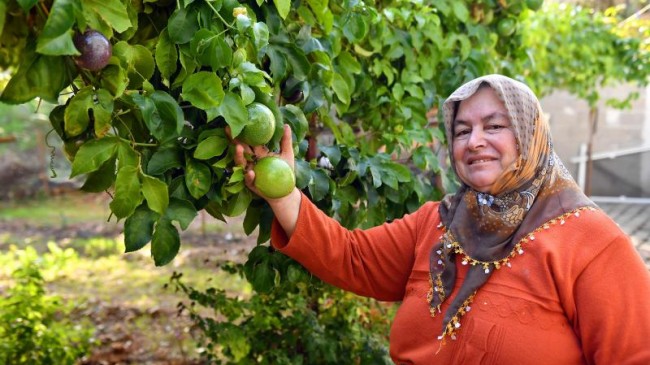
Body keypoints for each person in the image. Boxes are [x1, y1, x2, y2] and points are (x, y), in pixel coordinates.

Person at [233, 74, 650, 364]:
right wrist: (283, 192)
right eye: (462, 130)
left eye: (495, 125)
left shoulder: (591, 243)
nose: (475, 141)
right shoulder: (437, 222)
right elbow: (351, 257)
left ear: (530, 136)